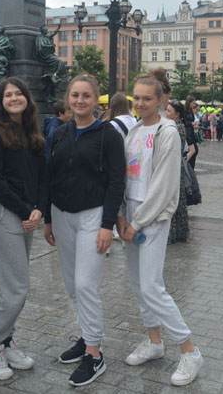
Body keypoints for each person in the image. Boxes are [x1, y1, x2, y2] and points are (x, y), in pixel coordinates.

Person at [118, 74, 203, 386]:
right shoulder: (134, 130)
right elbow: (123, 177)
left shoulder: (167, 132)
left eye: (147, 98)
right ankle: (154, 341)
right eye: (137, 98)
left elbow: (164, 185)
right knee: (138, 283)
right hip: (129, 214)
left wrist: (137, 221)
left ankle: (189, 350)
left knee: (152, 286)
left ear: (160, 100)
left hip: (151, 216)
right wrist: (120, 217)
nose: (141, 103)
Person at [42, 75, 125, 386]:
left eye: (86, 96)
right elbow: (49, 176)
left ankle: (94, 353)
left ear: (95, 100)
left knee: (86, 284)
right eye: (75, 95)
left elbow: (117, 181)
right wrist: (48, 218)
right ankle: (86, 335)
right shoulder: (59, 133)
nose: (79, 100)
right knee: (71, 284)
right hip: (62, 214)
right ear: (68, 98)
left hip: (93, 215)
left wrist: (107, 225)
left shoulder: (108, 134)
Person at [0, 77, 47, 381]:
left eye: (18, 94)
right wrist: (26, 211)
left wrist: (39, 208)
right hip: (7, 214)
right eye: (8, 95)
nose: (14, 98)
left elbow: (43, 175)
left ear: (27, 98)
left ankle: (5, 340)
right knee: (15, 288)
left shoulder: (31, 130)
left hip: (28, 214)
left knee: (16, 285)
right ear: (0, 102)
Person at [166, 100, 193, 242]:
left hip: (174, 169)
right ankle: (179, 232)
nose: (166, 113)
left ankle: (172, 233)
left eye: (168, 111)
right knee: (178, 202)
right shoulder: (177, 127)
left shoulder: (176, 128)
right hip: (176, 168)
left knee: (173, 202)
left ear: (177, 115)